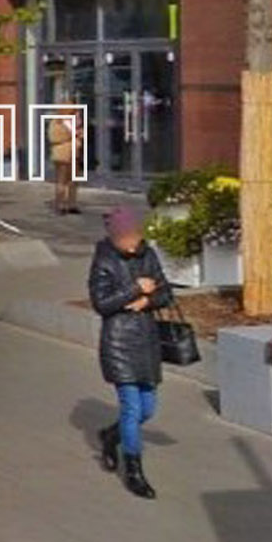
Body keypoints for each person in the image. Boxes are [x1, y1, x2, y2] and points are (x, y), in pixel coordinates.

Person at [89, 206, 172, 500]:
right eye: (128, 237)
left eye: (136, 236)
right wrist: (135, 288)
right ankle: (134, 471)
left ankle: (111, 435)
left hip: (146, 340)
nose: (134, 242)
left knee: (148, 409)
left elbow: (166, 293)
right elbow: (101, 303)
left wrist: (147, 301)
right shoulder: (104, 260)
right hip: (119, 342)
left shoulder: (148, 255)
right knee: (132, 408)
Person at [49, 109, 83, 214]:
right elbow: (55, 137)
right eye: (75, 114)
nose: (78, 117)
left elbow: (80, 135)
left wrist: (78, 132)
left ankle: (72, 204)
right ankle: (60, 205)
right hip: (62, 155)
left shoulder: (74, 125)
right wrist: (73, 134)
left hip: (74, 154)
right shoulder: (58, 122)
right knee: (62, 181)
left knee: (73, 181)